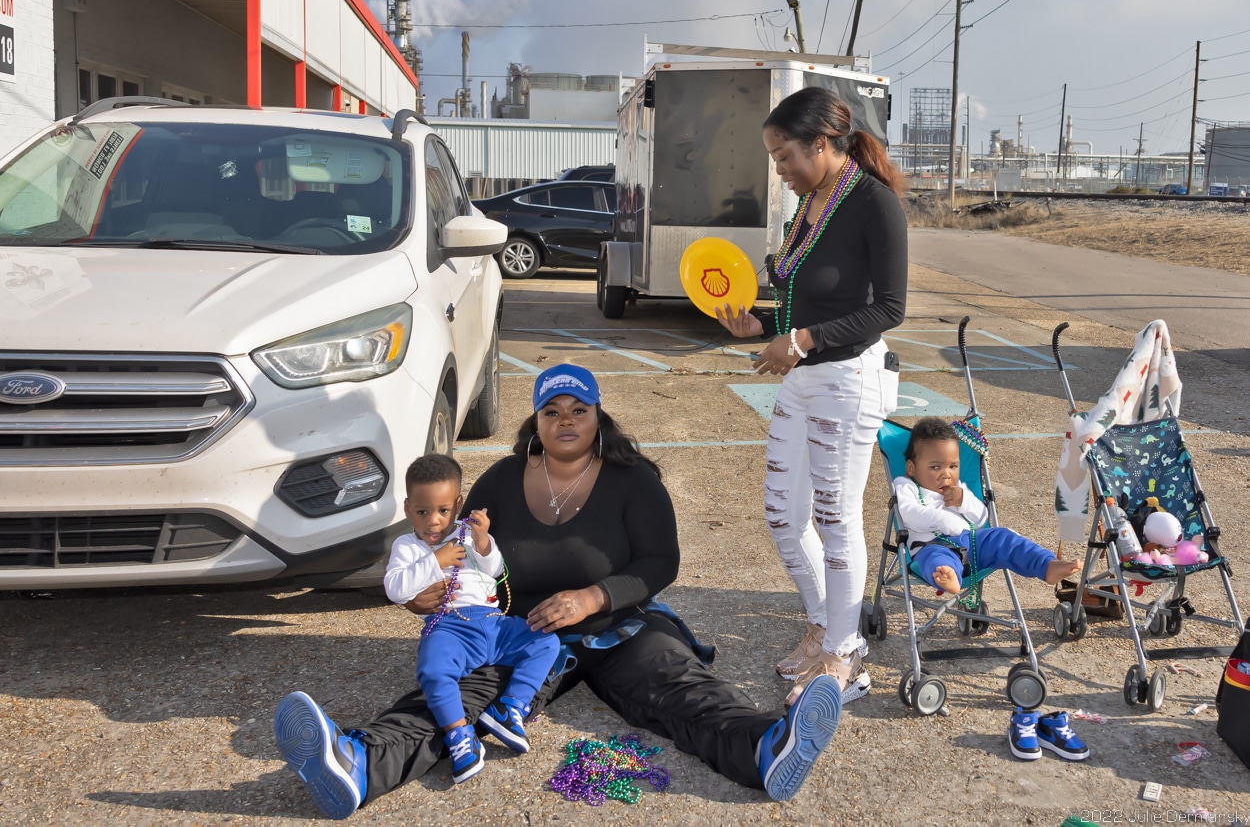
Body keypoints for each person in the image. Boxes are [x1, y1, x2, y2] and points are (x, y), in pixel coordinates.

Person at [272, 363, 844, 820]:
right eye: (552, 410)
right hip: (518, 630)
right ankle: (359, 763)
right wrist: (434, 589)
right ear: (537, 421)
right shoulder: (498, 479)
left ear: (598, 416)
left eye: (579, 409)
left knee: (678, 687)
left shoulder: (634, 481)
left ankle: (767, 747)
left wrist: (593, 597)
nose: (565, 419)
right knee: (454, 695)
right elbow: (458, 548)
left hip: (617, 627)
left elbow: (660, 562)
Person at [717, 86, 908, 706]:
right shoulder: (809, 203)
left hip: (848, 378)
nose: (779, 169)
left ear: (821, 145)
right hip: (802, 377)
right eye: (775, 158)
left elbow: (889, 307)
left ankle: (846, 660)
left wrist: (800, 340)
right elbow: (808, 295)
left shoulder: (873, 203)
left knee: (834, 519)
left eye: (784, 156)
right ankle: (827, 626)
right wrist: (764, 326)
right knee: (783, 516)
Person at [377, 453, 560, 784]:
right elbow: (395, 588)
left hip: (493, 621)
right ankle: (460, 737)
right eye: (422, 512)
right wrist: (436, 559)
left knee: (546, 640)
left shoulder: (465, 532)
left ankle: (510, 709)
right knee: (432, 671)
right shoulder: (407, 546)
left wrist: (484, 542)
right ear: (407, 508)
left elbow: (495, 572)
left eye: (443, 511)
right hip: (450, 627)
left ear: (458, 504)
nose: (434, 521)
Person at [895, 417, 1079, 594]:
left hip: (972, 544)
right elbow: (908, 514)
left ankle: (1046, 565)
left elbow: (981, 519)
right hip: (932, 546)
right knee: (936, 560)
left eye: (953, 467)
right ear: (912, 468)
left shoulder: (958, 489)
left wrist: (964, 501)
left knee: (1003, 537)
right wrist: (943, 520)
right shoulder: (906, 486)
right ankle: (949, 577)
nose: (946, 474)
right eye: (935, 467)